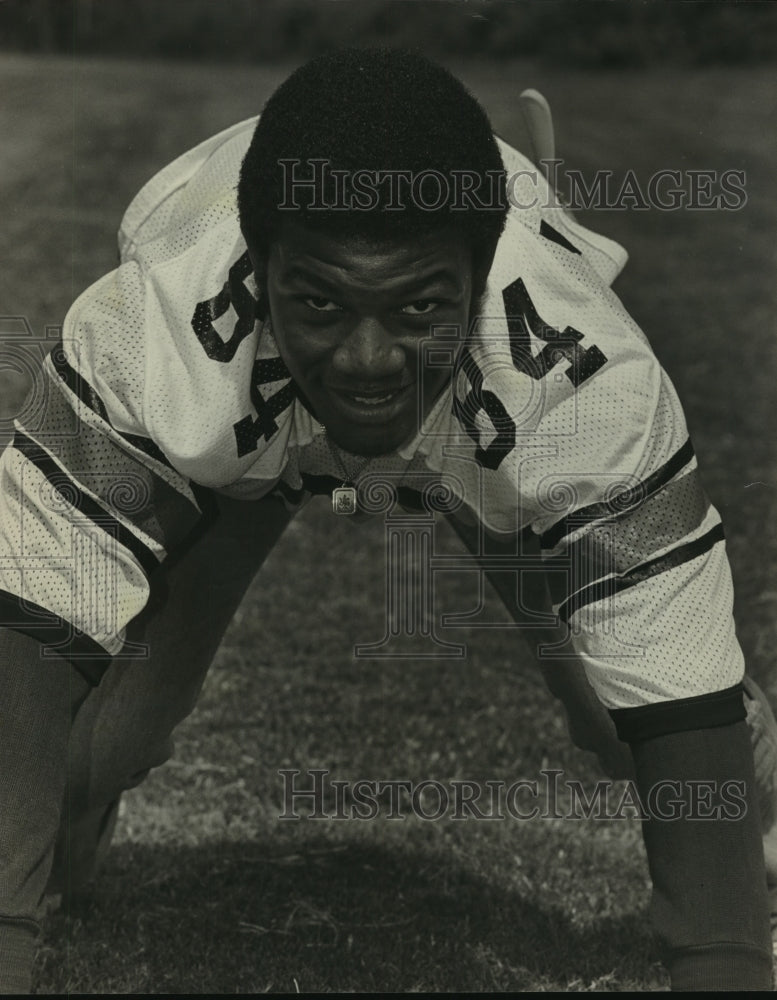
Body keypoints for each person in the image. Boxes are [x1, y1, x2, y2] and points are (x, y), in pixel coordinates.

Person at [0, 47, 775, 992]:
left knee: (629, 717)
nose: (367, 358)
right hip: (248, 442)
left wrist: (723, 955)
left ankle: (761, 813)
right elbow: (30, 629)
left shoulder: (580, 389)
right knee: (90, 752)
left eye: (416, 303)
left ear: (481, 279)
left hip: (475, 430)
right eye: (321, 299)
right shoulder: (156, 335)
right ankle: (68, 830)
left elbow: (676, 691)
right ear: (259, 268)